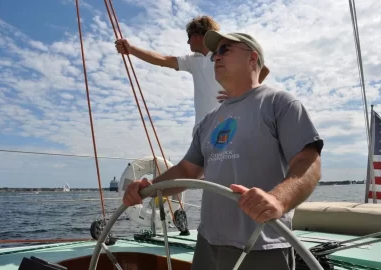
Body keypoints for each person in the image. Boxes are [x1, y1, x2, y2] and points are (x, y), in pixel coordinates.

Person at [122, 30, 323, 270]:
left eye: (225, 50)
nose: (216, 57)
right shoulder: (209, 121)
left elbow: (309, 161)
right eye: (215, 53)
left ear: (252, 58)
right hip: (208, 244)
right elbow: (187, 169)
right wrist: (150, 188)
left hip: (261, 245)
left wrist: (277, 199)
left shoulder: (279, 103)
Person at [115, 16, 269, 136]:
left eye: (189, 37)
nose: (188, 41)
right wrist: (131, 50)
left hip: (229, 123)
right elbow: (163, 60)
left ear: (197, 36)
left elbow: (263, 69)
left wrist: (241, 93)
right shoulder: (192, 61)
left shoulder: (225, 53)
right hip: (202, 128)